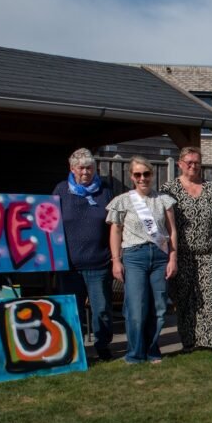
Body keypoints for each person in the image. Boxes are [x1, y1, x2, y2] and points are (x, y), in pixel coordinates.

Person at [106, 156, 178, 364]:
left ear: (152, 175)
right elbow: (115, 232)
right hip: (134, 256)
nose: (142, 178)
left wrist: (173, 258)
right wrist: (115, 260)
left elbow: (172, 232)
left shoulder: (164, 200)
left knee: (159, 306)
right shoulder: (122, 201)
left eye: (146, 174)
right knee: (136, 307)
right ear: (131, 176)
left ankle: (152, 350)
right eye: (137, 174)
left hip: (159, 257)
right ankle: (135, 354)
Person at [161, 146, 212, 353]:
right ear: (180, 163)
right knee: (185, 297)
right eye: (189, 161)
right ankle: (189, 341)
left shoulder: (211, 188)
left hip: (209, 252)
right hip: (182, 254)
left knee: (210, 296)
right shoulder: (169, 189)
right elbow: (164, 222)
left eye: (197, 162)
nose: (193, 165)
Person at [53, 148, 116, 361]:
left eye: (89, 168)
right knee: (73, 310)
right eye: (81, 168)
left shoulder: (105, 191)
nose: (86, 172)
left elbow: (114, 226)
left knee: (102, 310)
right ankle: (75, 350)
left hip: (99, 262)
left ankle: (103, 346)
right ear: (72, 169)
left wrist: (115, 257)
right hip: (69, 265)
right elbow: (50, 225)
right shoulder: (60, 191)